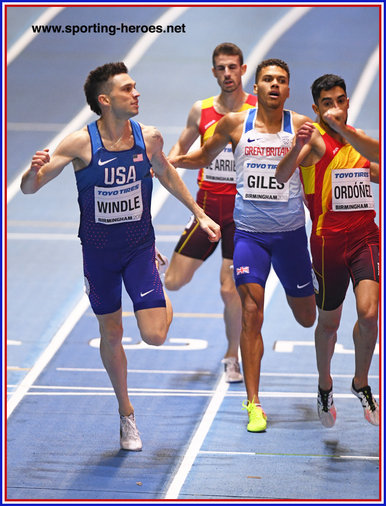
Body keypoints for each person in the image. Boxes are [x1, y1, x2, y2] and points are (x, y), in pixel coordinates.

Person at [20, 62, 221, 451]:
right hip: (98, 256)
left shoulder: (149, 138)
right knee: (111, 332)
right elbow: (31, 188)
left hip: (138, 248)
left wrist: (199, 213)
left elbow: (165, 173)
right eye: (128, 89)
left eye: (136, 87)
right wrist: (32, 172)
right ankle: (127, 416)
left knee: (155, 335)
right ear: (105, 100)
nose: (137, 93)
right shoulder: (80, 143)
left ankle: (158, 300)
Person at [169, 58, 316, 432]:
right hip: (249, 236)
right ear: (258, 85)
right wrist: (167, 163)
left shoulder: (300, 126)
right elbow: (204, 156)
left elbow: (323, 163)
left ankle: (308, 283)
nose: (273, 85)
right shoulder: (235, 124)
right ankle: (253, 404)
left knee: (306, 317)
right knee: (252, 312)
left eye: (281, 80)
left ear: (287, 89)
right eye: (267, 79)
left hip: (290, 238)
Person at [276, 73, 379, 427]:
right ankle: (324, 385)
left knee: (368, 315)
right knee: (330, 323)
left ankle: (361, 382)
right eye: (327, 103)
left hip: (366, 238)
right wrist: (296, 146)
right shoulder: (315, 143)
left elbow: (378, 163)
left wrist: (349, 134)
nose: (335, 108)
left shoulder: (358, 142)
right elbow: (281, 175)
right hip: (327, 245)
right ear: (316, 108)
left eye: (340, 101)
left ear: (348, 102)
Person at [164, 43, 257, 383]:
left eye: (233, 67)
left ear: (243, 70)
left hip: (243, 211)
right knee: (173, 282)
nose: (228, 74)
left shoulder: (259, 109)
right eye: (221, 68)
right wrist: (166, 164)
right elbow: (179, 149)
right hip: (207, 208)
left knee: (228, 289)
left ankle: (232, 355)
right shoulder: (200, 110)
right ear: (214, 72)